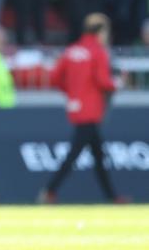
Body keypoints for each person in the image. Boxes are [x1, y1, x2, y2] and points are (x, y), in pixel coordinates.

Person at [39, 14, 125, 204]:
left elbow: (54, 78)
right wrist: (118, 83)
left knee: (98, 156)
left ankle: (111, 196)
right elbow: (103, 81)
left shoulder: (71, 51)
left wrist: (72, 92)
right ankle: (49, 191)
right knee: (75, 155)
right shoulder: (98, 52)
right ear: (100, 31)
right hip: (92, 111)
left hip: (76, 108)